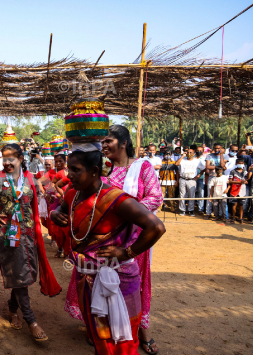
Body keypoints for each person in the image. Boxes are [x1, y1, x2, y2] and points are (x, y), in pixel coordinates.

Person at [50, 148, 166, 354]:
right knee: (99, 335)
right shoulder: (72, 194)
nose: (68, 175)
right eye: (69, 169)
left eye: (75, 170)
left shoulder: (117, 200)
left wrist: (127, 253)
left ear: (94, 171)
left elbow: (156, 227)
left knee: (121, 340)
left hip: (117, 281)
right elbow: (63, 207)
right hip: (85, 277)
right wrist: (55, 213)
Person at [0, 143, 61, 341]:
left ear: (21, 157)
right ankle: (31, 320)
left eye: (11, 157)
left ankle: (12, 309)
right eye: (4, 158)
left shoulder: (31, 179)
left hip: (28, 234)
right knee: (20, 274)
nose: (7, 162)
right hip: (6, 235)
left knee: (24, 274)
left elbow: (46, 197)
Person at [100, 125, 163, 354]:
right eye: (103, 142)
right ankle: (105, 331)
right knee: (105, 284)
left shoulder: (141, 166)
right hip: (105, 239)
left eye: (109, 141)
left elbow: (156, 197)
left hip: (135, 239)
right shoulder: (102, 170)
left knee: (134, 287)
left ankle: (141, 332)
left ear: (124, 143)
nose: (104, 145)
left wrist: (125, 213)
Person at [175, 146, 204, 216]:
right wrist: (182, 156)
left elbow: (203, 168)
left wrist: (199, 175)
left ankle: (191, 210)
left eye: (191, 152)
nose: (189, 153)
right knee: (182, 195)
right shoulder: (183, 160)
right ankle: (182, 209)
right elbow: (176, 164)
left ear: (194, 154)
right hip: (182, 179)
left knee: (192, 195)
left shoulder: (197, 161)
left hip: (192, 180)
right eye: (188, 152)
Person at [205, 143, 228, 219]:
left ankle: (221, 214)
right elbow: (208, 166)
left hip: (221, 179)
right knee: (210, 195)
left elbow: (223, 165)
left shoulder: (225, 156)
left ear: (221, 148)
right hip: (212, 177)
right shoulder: (209, 156)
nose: (217, 150)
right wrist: (219, 168)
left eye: (218, 148)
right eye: (215, 148)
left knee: (221, 196)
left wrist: (221, 155)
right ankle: (208, 213)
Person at [228, 158, 250, 224]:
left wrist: (249, 171)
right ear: (236, 164)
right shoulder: (233, 171)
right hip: (234, 190)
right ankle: (233, 217)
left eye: (242, 164)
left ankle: (241, 218)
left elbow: (247, 179)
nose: (240, 165)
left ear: (244, 164)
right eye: (239, 163)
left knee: (241, 204)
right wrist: (240, 182)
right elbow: (230, 180)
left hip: (242, 190)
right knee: (234, 204)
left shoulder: (245, 171)